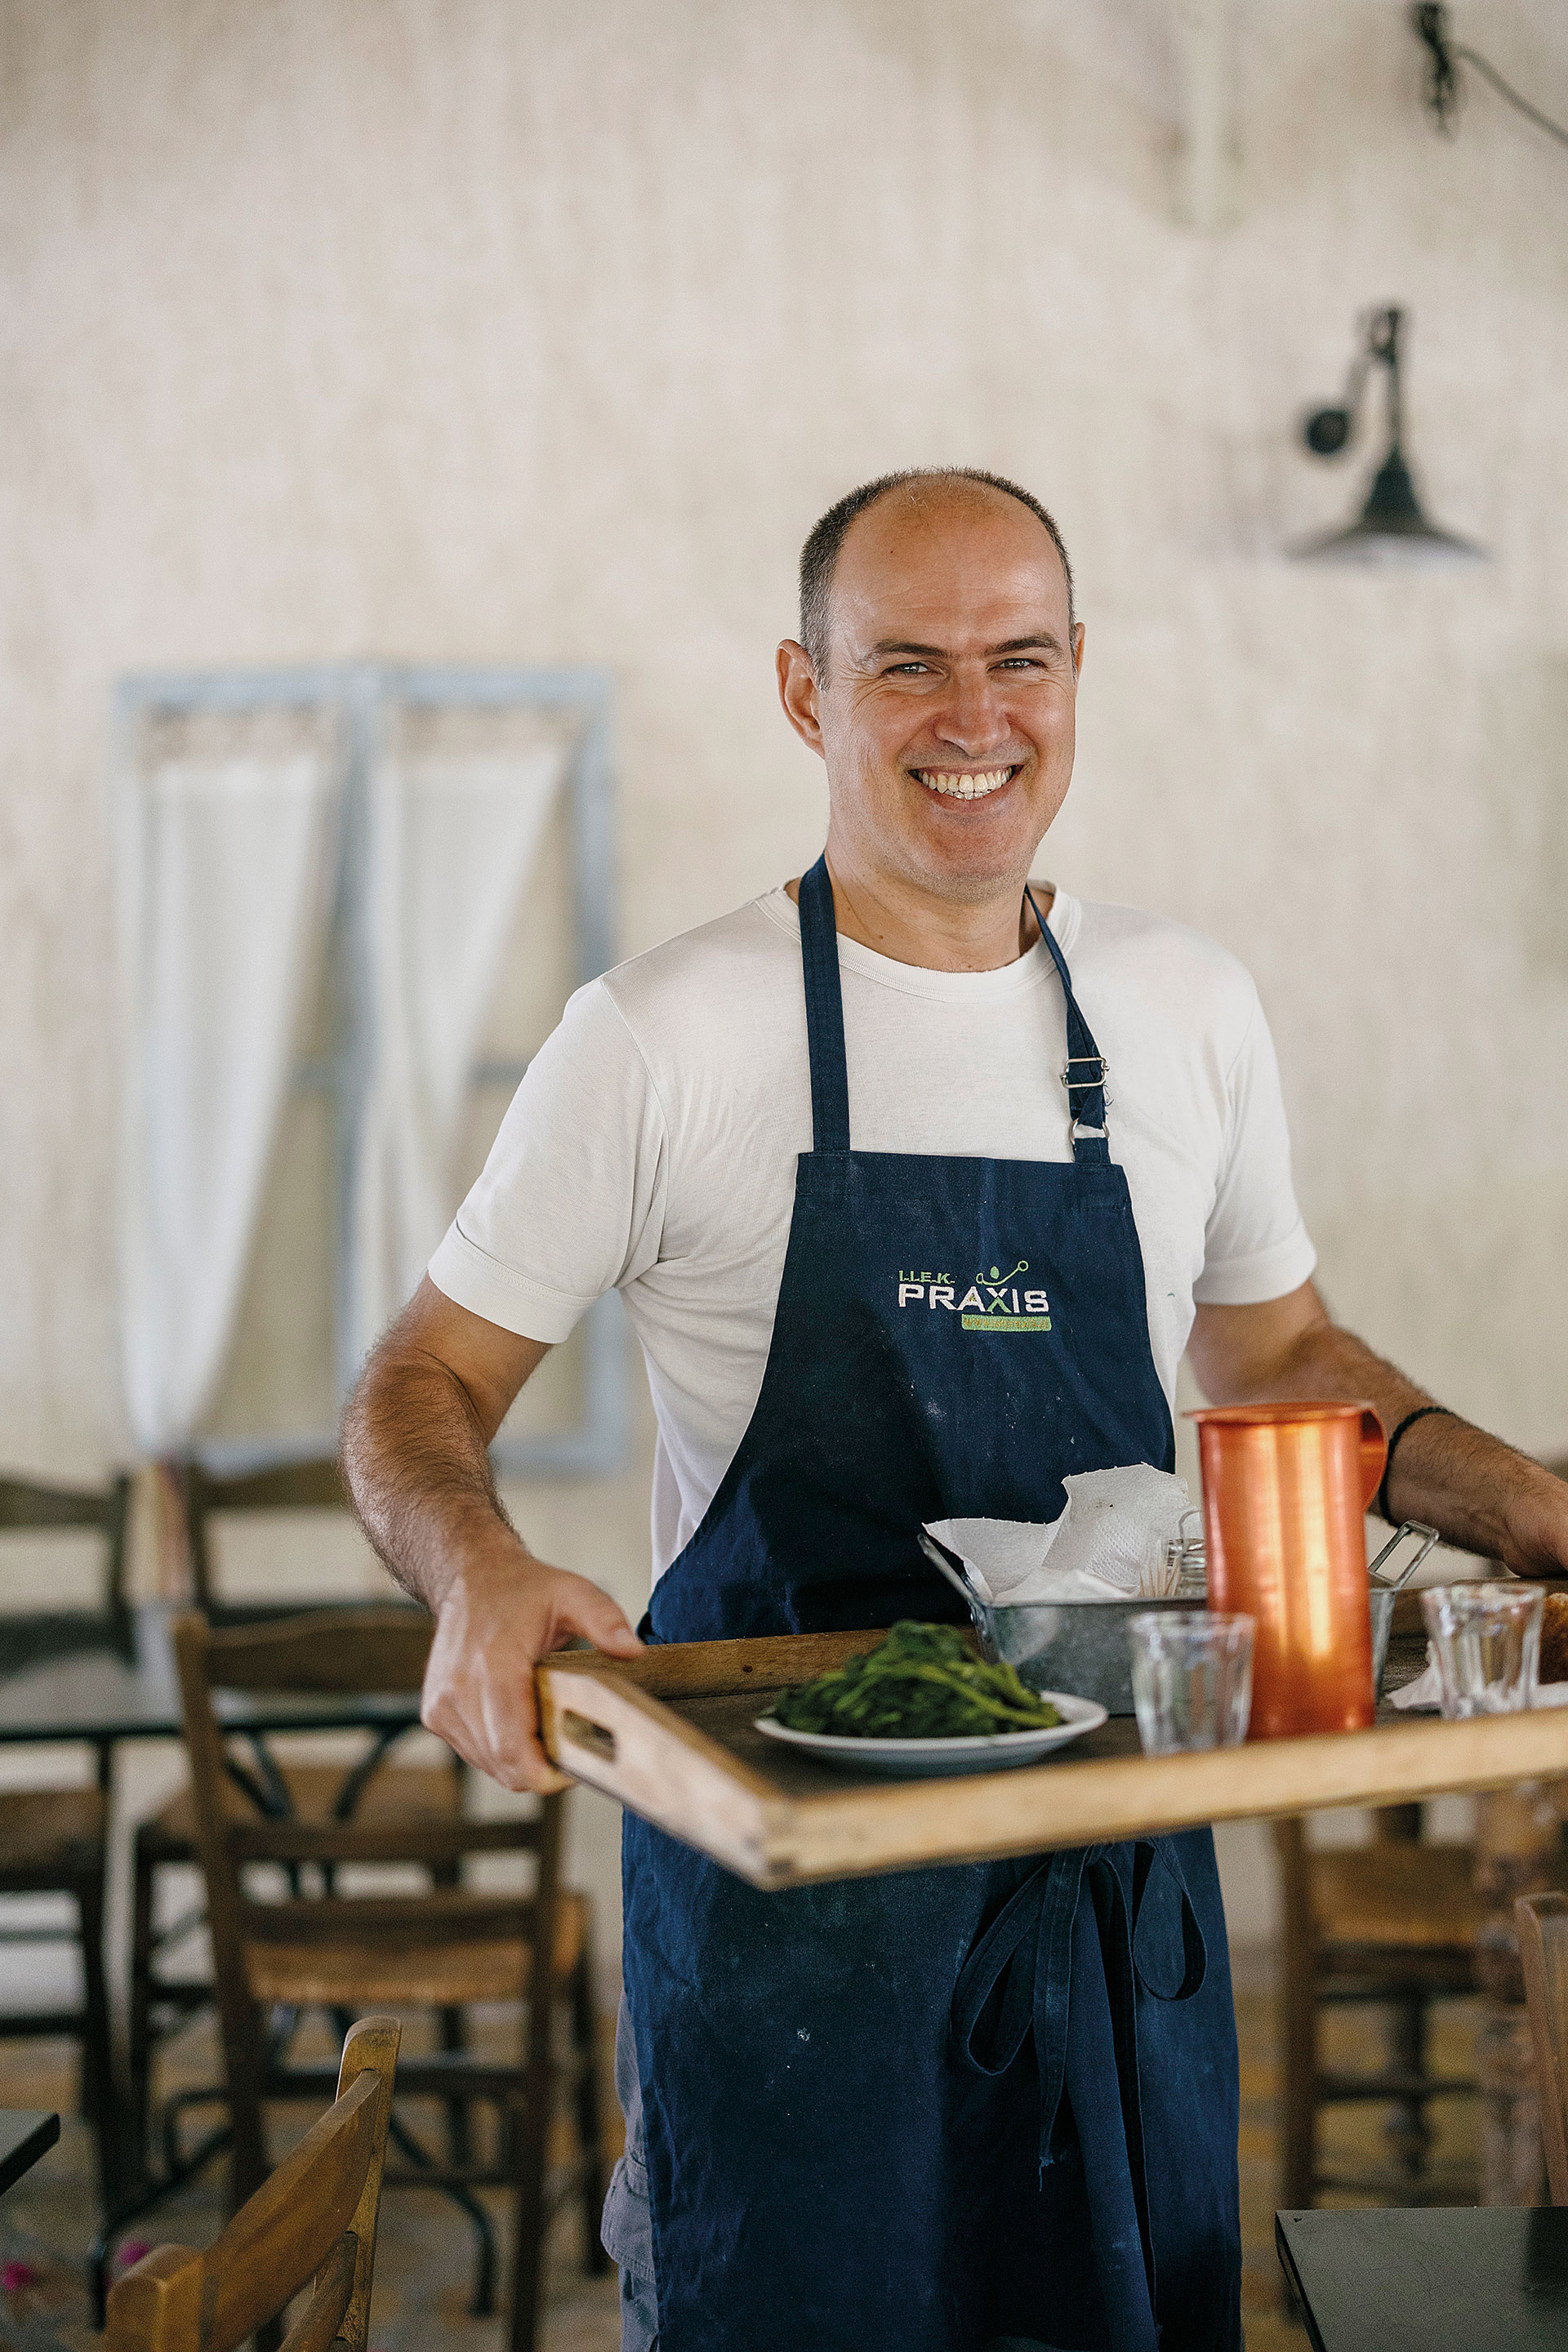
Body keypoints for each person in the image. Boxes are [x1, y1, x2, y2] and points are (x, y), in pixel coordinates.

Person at [342, 467, 1568, 2352]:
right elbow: (419, 1382)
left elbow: (1281, 1356)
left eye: (1017, 660)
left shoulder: (1187, 1007)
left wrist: (1529, 1507)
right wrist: (478, 1572)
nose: (973, 718)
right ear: (804, 691)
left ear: (1078, 671)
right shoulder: (666, 1034)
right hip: (790, 1907)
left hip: (1113, 1876)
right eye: (906, 665)